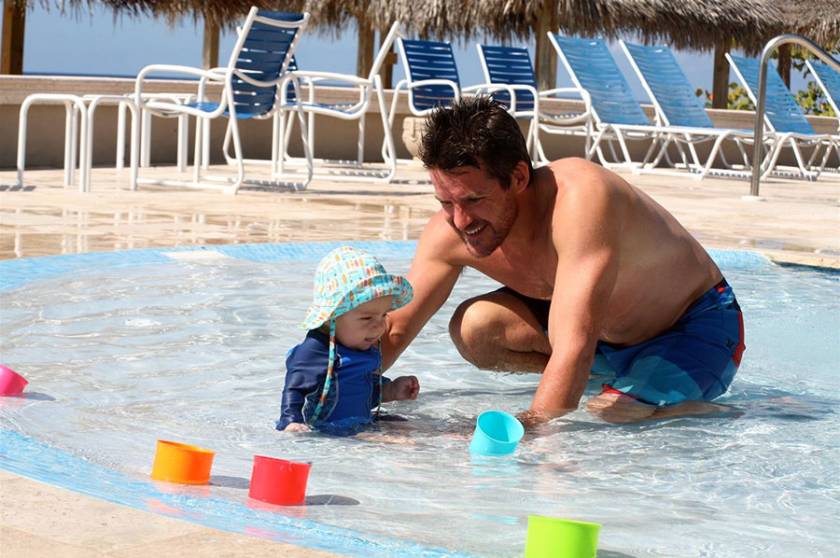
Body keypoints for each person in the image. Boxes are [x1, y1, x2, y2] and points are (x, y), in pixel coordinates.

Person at [380, 96, 745, 427]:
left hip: (692, 327)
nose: (460, 221)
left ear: (518, 177)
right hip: (604, 339)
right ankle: (611, 385)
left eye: (474, 200)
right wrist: (332, 391)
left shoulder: (581, 200)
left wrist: (527, 433)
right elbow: (394, 329)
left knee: (614, 413)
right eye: (446, 202)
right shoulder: (450, 233)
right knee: (475, 327)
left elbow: (574, 346)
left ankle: (702, 410)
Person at [277, 246, 420, 432]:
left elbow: (364, 388)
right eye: (367, 318)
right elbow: (294, 389)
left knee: (412, 428)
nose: (378, 327)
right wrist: (291, 420)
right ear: (332, 316)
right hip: (330, 429)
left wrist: (391, 390)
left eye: (384, 315)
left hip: (360, 422)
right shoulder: (316, 350)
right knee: (400, 442)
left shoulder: (362, 346)